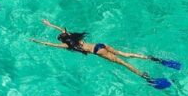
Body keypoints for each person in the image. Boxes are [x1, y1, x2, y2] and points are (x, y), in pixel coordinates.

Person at [30, 19, 180, 89]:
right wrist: (49, 24)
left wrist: (37, 41)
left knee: (124, 63)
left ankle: (148, 78)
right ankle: (156, 59)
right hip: (101, 45)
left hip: (98, 51)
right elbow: (62, 29)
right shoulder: (74, 38)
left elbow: (51, 44)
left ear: (64, 41)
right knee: (126, 54)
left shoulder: (68, 45)